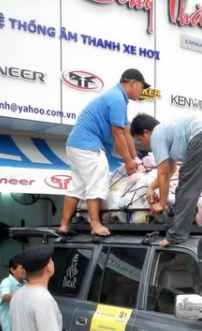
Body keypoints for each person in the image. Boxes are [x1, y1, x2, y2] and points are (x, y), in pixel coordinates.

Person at [58, 69, 150, 237]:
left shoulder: (116, 98)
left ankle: (64, 225)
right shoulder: (117, 99)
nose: (142, 92)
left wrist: (135, 158)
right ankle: (95, 224)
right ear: (133, 83)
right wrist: (128, 161)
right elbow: (117, 134)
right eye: (141, 87)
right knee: (98, 182)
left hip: (75, 144)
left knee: (77, 186)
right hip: (88, 145)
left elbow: (126, 132)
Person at [130, 113, 202, 245]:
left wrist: (161, 203)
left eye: (139, 139)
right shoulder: (170, 132)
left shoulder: (157, 135)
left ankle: (176, 235)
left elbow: (163, 173)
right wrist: (151, 187)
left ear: (146, 132)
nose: (142, 143)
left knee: (188, 185)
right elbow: (170, 170)